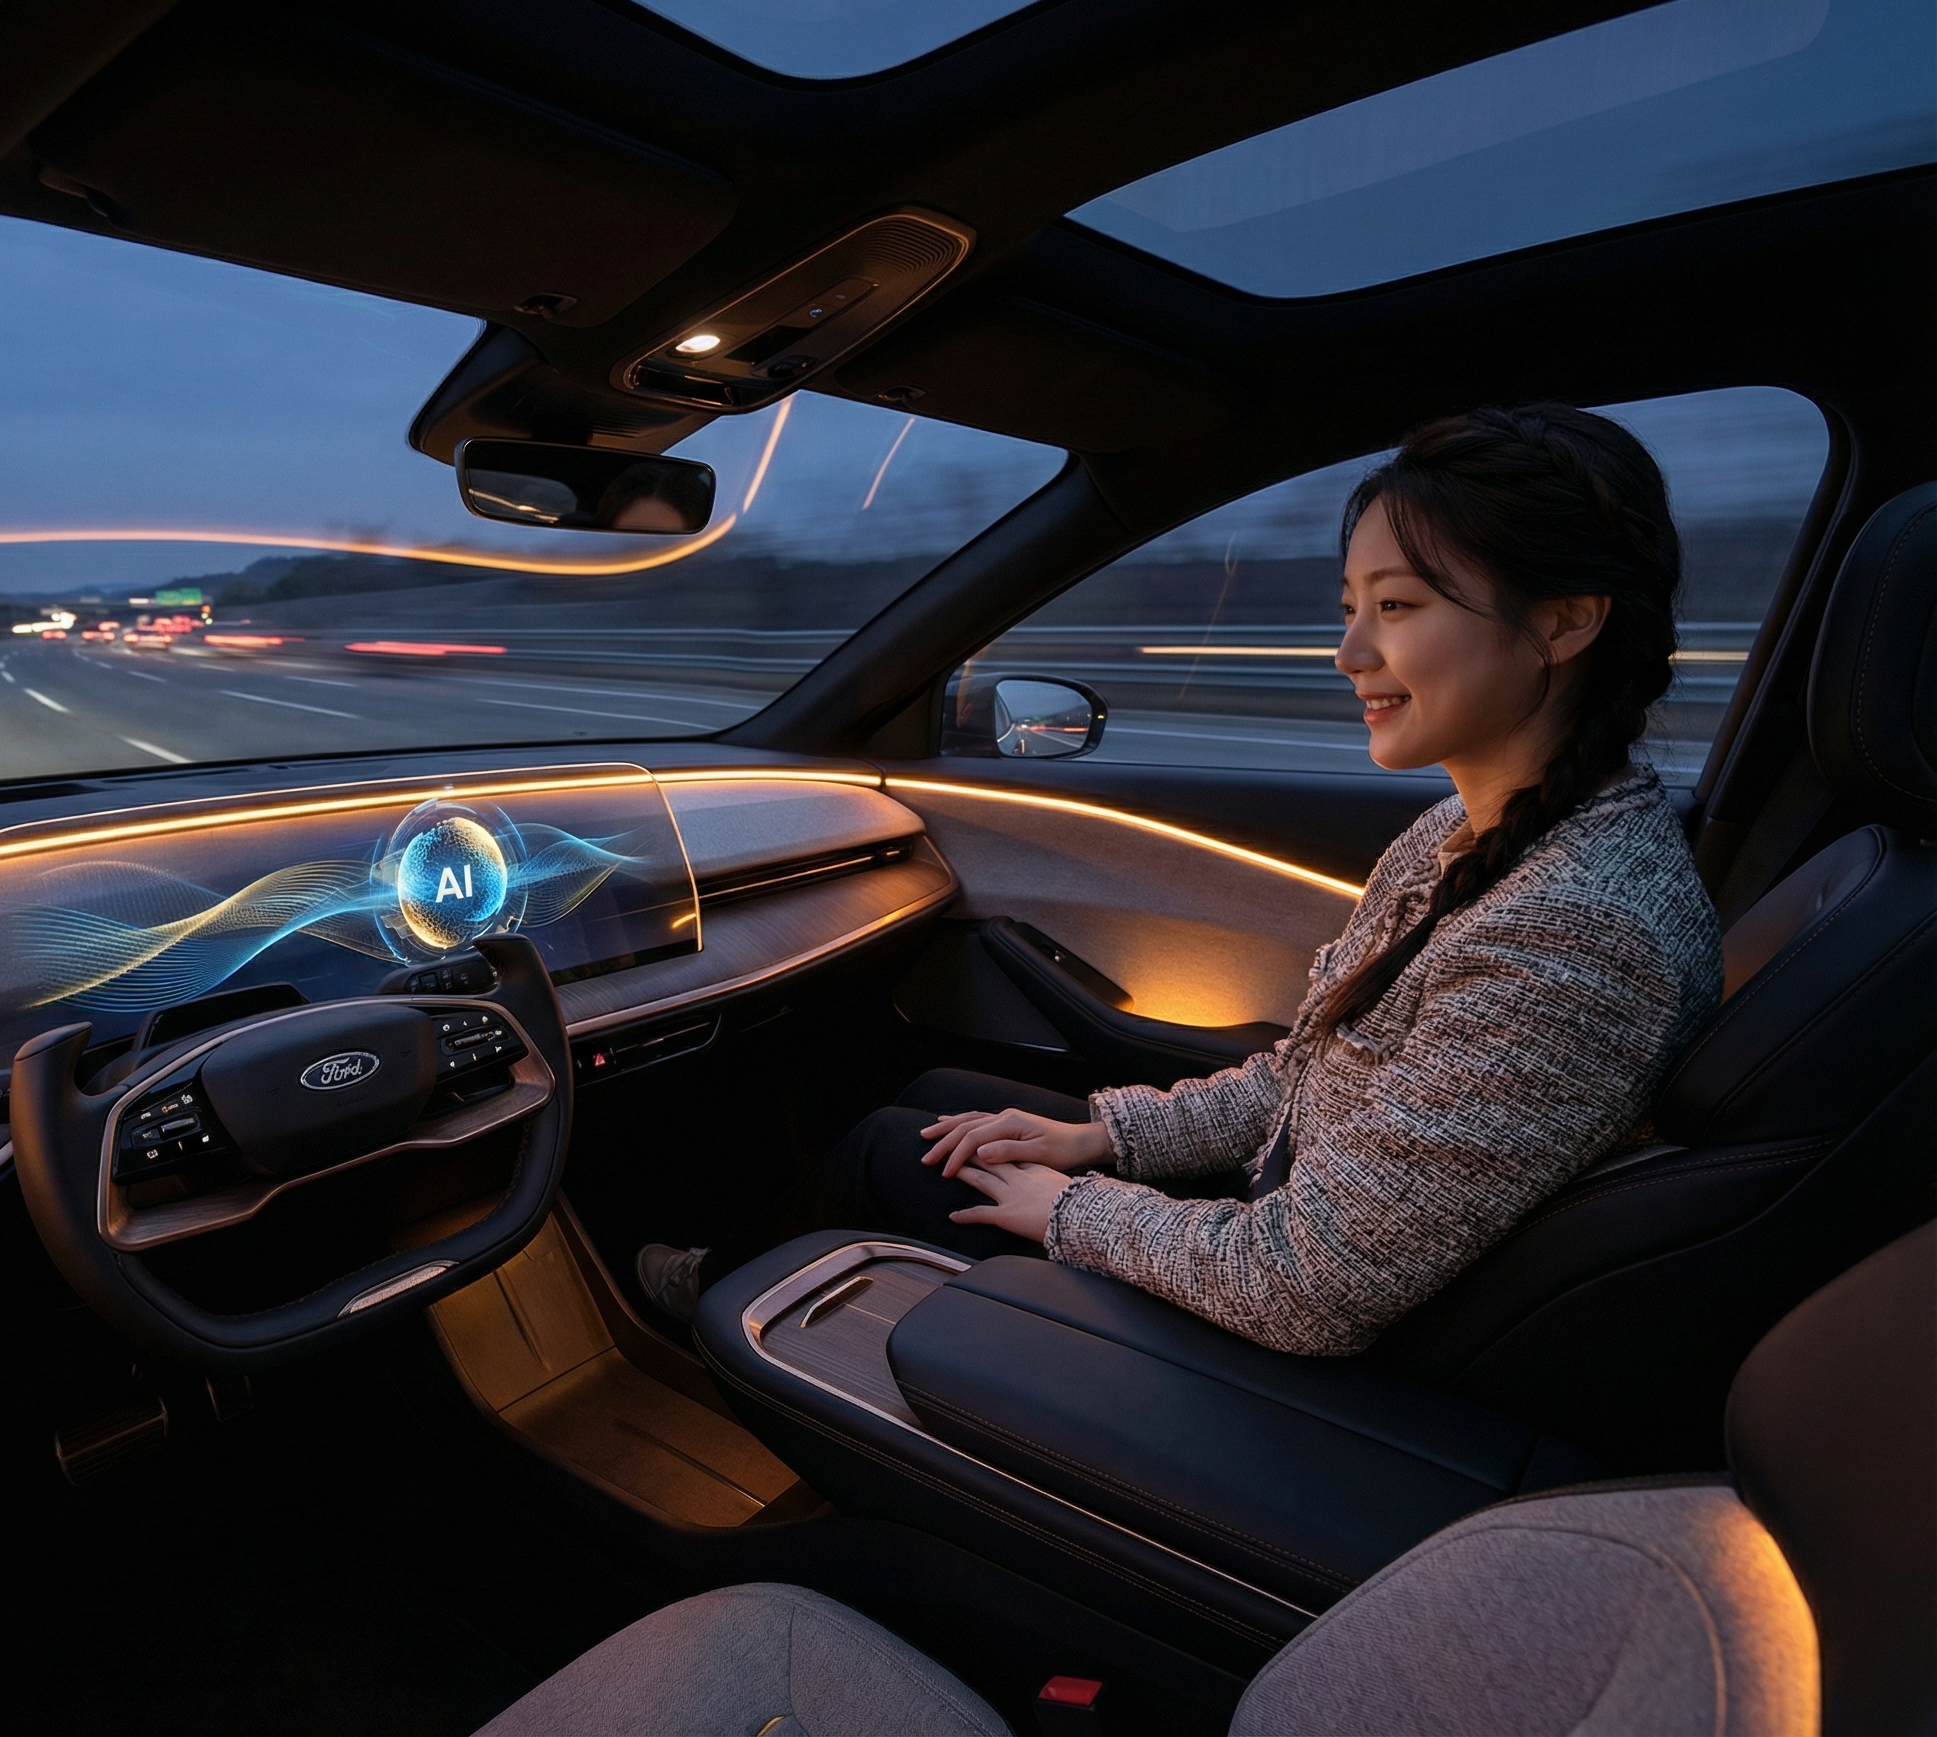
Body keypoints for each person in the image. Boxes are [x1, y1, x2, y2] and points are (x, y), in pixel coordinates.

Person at [639, 404, 1723, 1355]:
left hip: (1299, 1351)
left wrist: (1073, 1208)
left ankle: (710, 1313)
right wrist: (1103, 1136)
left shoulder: (1578, 935)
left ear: (1567, 622)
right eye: (1351, 606)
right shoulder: (1478, 831)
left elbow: (1306, 1286)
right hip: (1306, 1223)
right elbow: (1309, 1079)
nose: (1349, 653)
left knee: (893, 1152)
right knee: (941, 1107)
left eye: (1396, 607)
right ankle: (733, 1280)